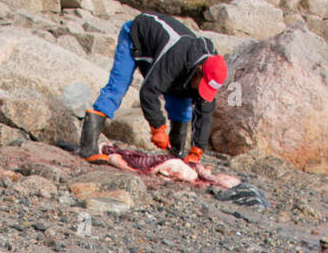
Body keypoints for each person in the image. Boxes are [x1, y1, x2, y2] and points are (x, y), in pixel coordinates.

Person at [79, 11, 227, 162]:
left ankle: (176, 153)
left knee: (182, 103)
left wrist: (196, 151)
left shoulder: (213, 69)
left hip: (167, 58)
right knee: (118, 86)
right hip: (136, 37)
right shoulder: (177, 58)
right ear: (199, 69)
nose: (201, 91)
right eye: (202, 85)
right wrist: (158, 128)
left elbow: (205, 112)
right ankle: (87, 147)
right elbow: (148, 91)